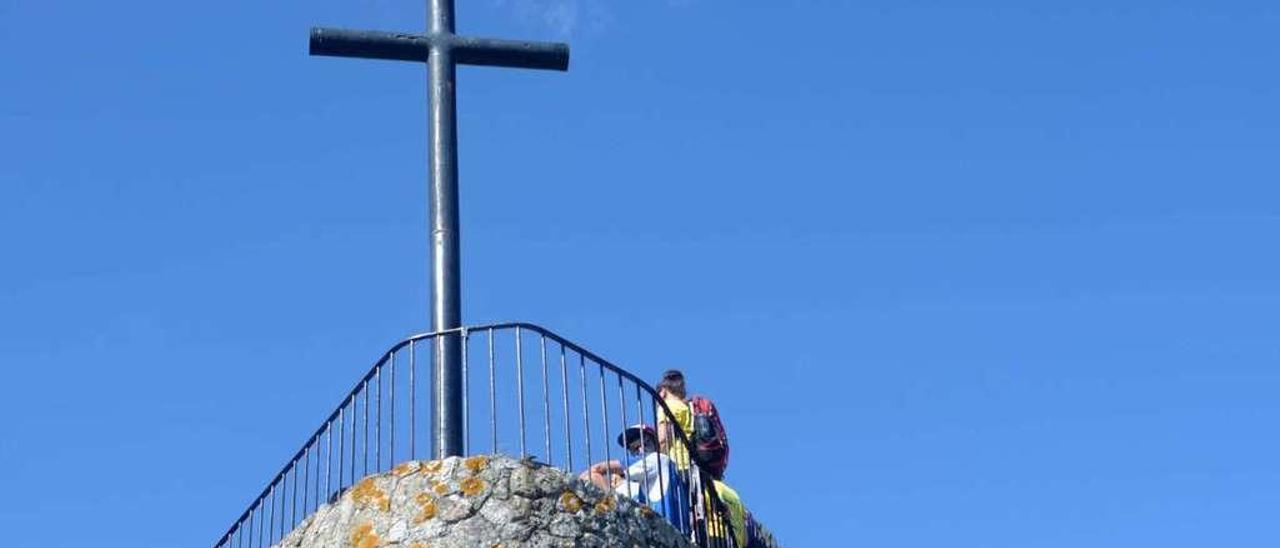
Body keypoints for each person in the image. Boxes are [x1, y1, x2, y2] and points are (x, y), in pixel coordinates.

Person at [580, 424, 690, 532]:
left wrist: (610, 498)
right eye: (635, 449)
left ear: (656, 445)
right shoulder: (661, 475)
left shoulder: (656, 459)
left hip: (662, 532)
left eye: (645, 444)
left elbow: (596, 470)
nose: (641, 451)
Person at [656, 369, 693, 471]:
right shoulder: (687, 408)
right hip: (690, 464)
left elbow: (663, 440)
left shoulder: (667, 406)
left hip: (677, 464)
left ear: (663, 392)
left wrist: (657, 462)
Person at [705, 477, 747, 548]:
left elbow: (715, 502)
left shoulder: (716, 485)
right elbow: (745, 540)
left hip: (715, 534)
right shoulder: (736, 497)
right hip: (733, 542)